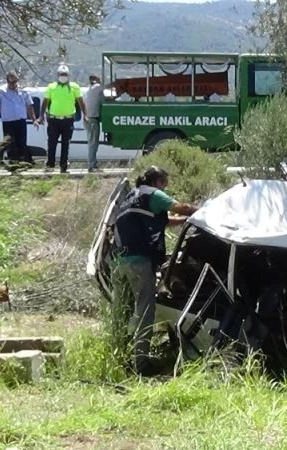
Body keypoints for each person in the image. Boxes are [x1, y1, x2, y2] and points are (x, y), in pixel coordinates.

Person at [114, 166, 198, 375]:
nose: (165, 188)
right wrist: (204, 212)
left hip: (121, 262)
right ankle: (141, 364)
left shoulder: (132, 197)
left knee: (123, 311)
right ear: (158, 182)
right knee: (145, 311)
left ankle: (120, 353)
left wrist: (186, 222)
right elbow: (182, 208)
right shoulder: (154, 194)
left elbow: (166, 221)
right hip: (140, 262)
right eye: (164, 184)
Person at [35, 64, 86, 173]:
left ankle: (63, 166)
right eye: (61, 74)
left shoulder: (74, 87)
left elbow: (81, 102)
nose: (63, 76)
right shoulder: (51, 87)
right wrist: (41, 116)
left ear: (69, 75)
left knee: (65, 143)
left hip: (68, 120)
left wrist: (85, 115)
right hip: (53, 119)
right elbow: (45, 102)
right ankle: (50, 165)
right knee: (52, 143)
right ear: (57, 75)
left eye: (65, 74)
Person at [0, 71, 37, 165]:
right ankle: (13, 164)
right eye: (11, 82)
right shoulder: (1, 92)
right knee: (10, 144)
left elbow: (29, 106)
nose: (13, 84)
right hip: (8, 123)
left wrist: (34, 120)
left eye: (15, 81)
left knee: (21, 143)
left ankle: (22, 163)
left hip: (20, 122)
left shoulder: (23, 91)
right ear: (7, 82)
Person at [83, 74, 104, 172]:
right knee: (93, 143)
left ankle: (93, 163)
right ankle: (91, 165)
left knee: (91, 142)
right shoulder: (97, 88)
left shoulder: (88, 89)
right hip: (92, 119)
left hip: (88, 119)